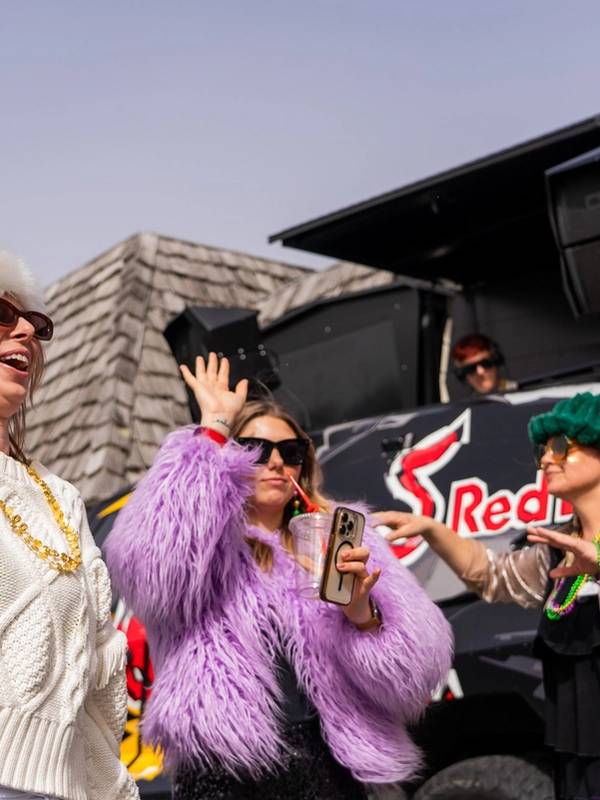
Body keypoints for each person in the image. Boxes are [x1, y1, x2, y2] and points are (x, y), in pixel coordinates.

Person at [104, 353, 453, 800]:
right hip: (225, 767)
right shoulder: (201, 545)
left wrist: (361, 614)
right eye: (253, 449)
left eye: (290, 452)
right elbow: (147, 566)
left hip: (328, 765)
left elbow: (413, 674)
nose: (274, 463)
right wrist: (211, 431)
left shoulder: (340, 539)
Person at [375, 391, 600, 800]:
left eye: (563, 446)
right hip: (580, 761)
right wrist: (431, 527)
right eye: (542, 451)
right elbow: (490, 576)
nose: (547, 459)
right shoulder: (558, 551)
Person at [0, 251, 138, 800]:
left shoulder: (60, 498)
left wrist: (110, 785)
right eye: (2, 316)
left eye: (34, 324)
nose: (29, 331)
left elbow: (99, 663)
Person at [451, 332, 517, 395]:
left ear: (496, 361)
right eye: (471, 368)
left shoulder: (520, 393)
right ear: (462, 374)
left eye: (485, 363)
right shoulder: (466, 406)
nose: (480, 372)